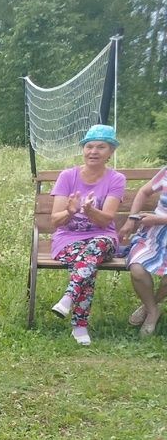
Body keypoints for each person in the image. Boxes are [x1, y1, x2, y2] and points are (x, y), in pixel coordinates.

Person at [47, 124, 125, 345]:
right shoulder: (67, 176)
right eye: (89, 146)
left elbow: (107, 219)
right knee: (87, 264)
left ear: (111, 152)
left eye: (101, 147)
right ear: (83, 149)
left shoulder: (116, 179)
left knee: (96, 245)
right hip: (68, 240)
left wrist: (90, 211)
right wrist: (71, 211)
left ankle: (68, 297)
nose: (94, 151)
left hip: (103, 238)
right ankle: (79, 326)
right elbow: (55, 220)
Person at [121, 164, 167, 336]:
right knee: (137, 269)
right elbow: (143, 192)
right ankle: (153, 311)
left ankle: (150, 306)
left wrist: (159, 219)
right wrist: (132, 218)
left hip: (157, 222)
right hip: (154, 235)